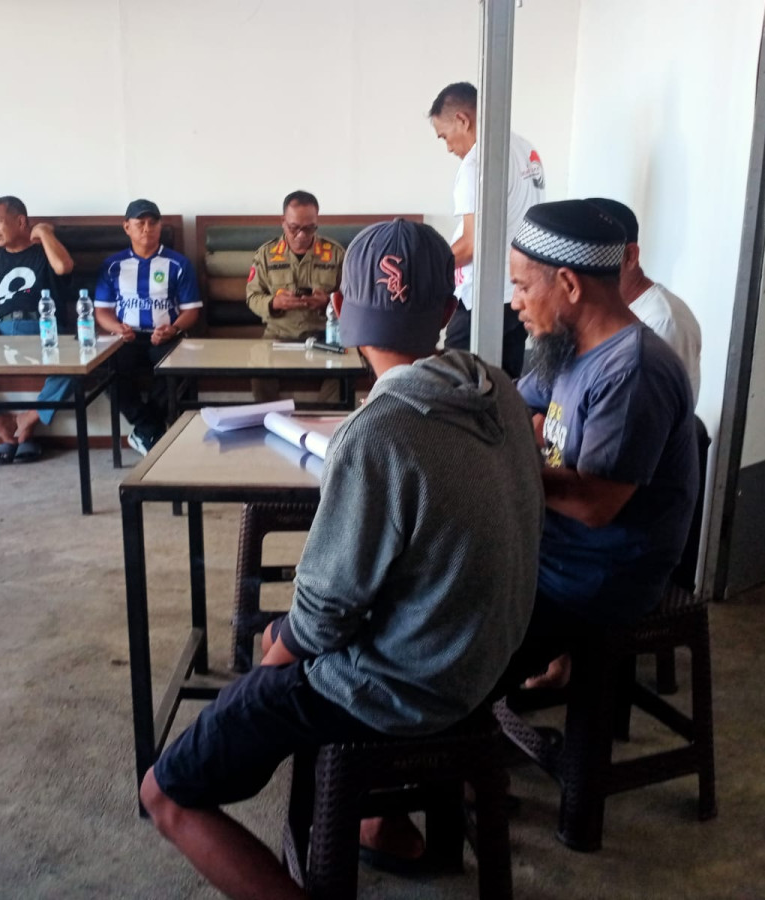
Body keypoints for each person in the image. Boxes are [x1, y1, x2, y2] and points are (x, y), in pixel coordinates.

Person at [139, 219, 544, 899]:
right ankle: (384, 826)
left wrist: (263, 675)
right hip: (485, 660)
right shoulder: (496, 387)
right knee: (306, 633)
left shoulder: (379, 432)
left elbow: (322, 617)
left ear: (344, 318)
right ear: (448, 311)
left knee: (166, 793)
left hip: (406, 688)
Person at [504, 200, 697, 689]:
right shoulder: (569, 345)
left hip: (597, 578)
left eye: (524, 286)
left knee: (441, 651)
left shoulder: (633, 370)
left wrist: (501, 469)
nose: (515, 302)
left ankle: (461, 745)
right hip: (556, 555)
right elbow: (514, 405)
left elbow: (594, 504)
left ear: (569, 284)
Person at [429, 81, 546, 375]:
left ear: (462, 120)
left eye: (444, 136)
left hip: (484, 298)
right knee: (505, 385)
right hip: (519, 292)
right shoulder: (525, 149)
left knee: (457, 381)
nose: (447, 148)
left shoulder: (475, 165)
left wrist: (427, 268)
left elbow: (472, 244)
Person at [0, 196, 76, 464]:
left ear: (21, 222)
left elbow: (64, 267)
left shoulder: (45, 254)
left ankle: (29, 418)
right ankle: (4, 427)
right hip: (2, 331)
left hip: (46, 332)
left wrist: (43, 232)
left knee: (81, 364)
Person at [94, 199, 200, 455]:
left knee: (180, 366)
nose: (147, 228)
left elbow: (191, 310)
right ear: (126, 227)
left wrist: (172, 329)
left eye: (153, 223)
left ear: (161, 226)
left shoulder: (178, 263)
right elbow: (102, 311)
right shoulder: (112, 265)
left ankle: (146, 431)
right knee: (105, 370)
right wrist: (117, 328)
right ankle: (148, 426)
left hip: (164, 336)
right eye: (140, 223)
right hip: (126, 337)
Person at [587, 197, 702, 403]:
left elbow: (639, 415)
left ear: (630, 256)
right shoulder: (599, 312)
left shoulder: (663, 322)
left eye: (595, 256)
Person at [245, 190, 346, 401]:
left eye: (309, 229)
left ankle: (326, 423)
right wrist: (274, 303)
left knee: (344, 371)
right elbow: (252, 296)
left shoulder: (335, 254)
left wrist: (326, 303)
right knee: (258, 369)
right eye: (294, 228)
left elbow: (351, 300)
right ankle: (271, 420)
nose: (301, 235)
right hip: (278, 334)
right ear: (283, 222)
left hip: (324, 335)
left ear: (317, 222)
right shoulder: (266, 254)